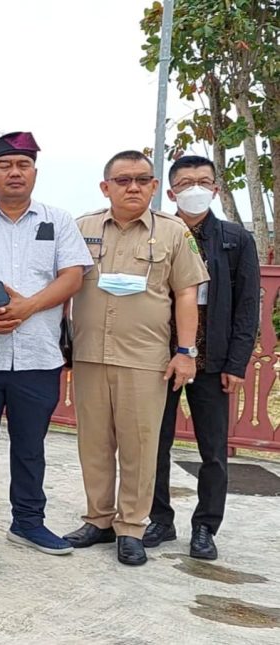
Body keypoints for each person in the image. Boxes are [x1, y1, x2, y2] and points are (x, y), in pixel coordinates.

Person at [0, 132, 92, 555]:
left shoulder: (58, 220)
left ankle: (28, 522)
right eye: (5, 165)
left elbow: (72, 276)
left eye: (23, 165)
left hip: (38, 355)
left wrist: (27, 307)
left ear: (34, 172)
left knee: (31, 447)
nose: (15, 172)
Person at [63, 150, 208, 566]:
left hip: (145, 358)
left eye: (142, 180)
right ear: (105, 187)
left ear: (154, 186)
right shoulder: (82, 228)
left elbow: (186, 294)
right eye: (122, 180)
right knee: (94, 443)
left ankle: (131, 527)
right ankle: (98, 519)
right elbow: (65, 283)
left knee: (139, 447)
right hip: (90, 355)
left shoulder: (173, 232)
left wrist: (186, 352)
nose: (132, 187)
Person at [143, 155, 259, 561]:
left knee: (213, 450)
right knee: (155, 444)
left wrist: (236, 364)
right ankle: (159, 518)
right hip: (159, 357)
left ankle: (206, 527)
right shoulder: (156, 233)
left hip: (213, 360)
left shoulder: (234, 238)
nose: (196, 188)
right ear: (171, 191)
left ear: (215, 188)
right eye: (187, 181)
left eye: (204, 181)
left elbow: (248, 306)